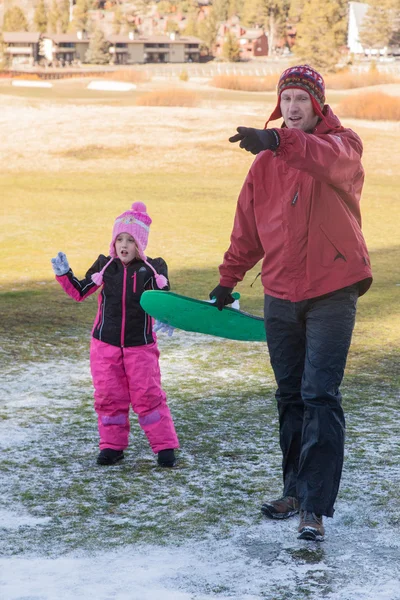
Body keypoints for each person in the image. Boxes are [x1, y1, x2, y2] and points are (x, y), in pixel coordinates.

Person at [210, 65, 372, 542]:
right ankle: (295, 491)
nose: (293, 108)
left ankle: (315, 509)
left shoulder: (344, 146)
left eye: (302, 99)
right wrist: (227, 280)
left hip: (332, 289)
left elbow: (324, 160)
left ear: (317, 104)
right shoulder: (263, 163)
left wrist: (280, 142)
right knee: (290, 396)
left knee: (320, 395)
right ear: (279, 105)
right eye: (286, 100)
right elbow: (248, 229)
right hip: (280, 292)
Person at [51, 202, 179, 468]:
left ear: (140, 244)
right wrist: (64, 274)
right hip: (104, 346)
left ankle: (164, 447)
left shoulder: (152, 269)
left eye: (130, 240)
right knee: (109, 396)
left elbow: (164, 300)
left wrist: (168, 317)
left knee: (148, 396)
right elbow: (79, 291)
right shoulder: (104, 267)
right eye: (119, 239)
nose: (123, 245)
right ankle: (112, 446)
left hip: (140, 346)